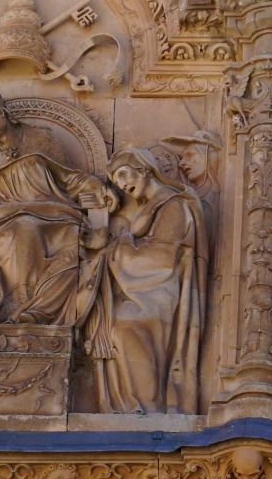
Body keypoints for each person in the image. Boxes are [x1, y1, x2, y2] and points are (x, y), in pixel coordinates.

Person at [0, 80, 109, 326]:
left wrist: (97, 186)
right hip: (16, 219)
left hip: (56, 215)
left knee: (70, 250)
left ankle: (33, 311)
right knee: (23, 227)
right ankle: (23, 311)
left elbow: (69, 178)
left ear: (1, 110)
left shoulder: (40, 139)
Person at [89, 145, 207, 414]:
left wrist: (119, 249)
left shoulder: (173, 204)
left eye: (124, 175)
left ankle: (147, 406)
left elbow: (163, 258)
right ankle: (138, 405)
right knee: (113, 326)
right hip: (142, 289)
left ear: (144, 170)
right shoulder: (152, 207)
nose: (122, 185)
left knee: (125, 325)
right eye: (118, 180)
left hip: (159, 292)